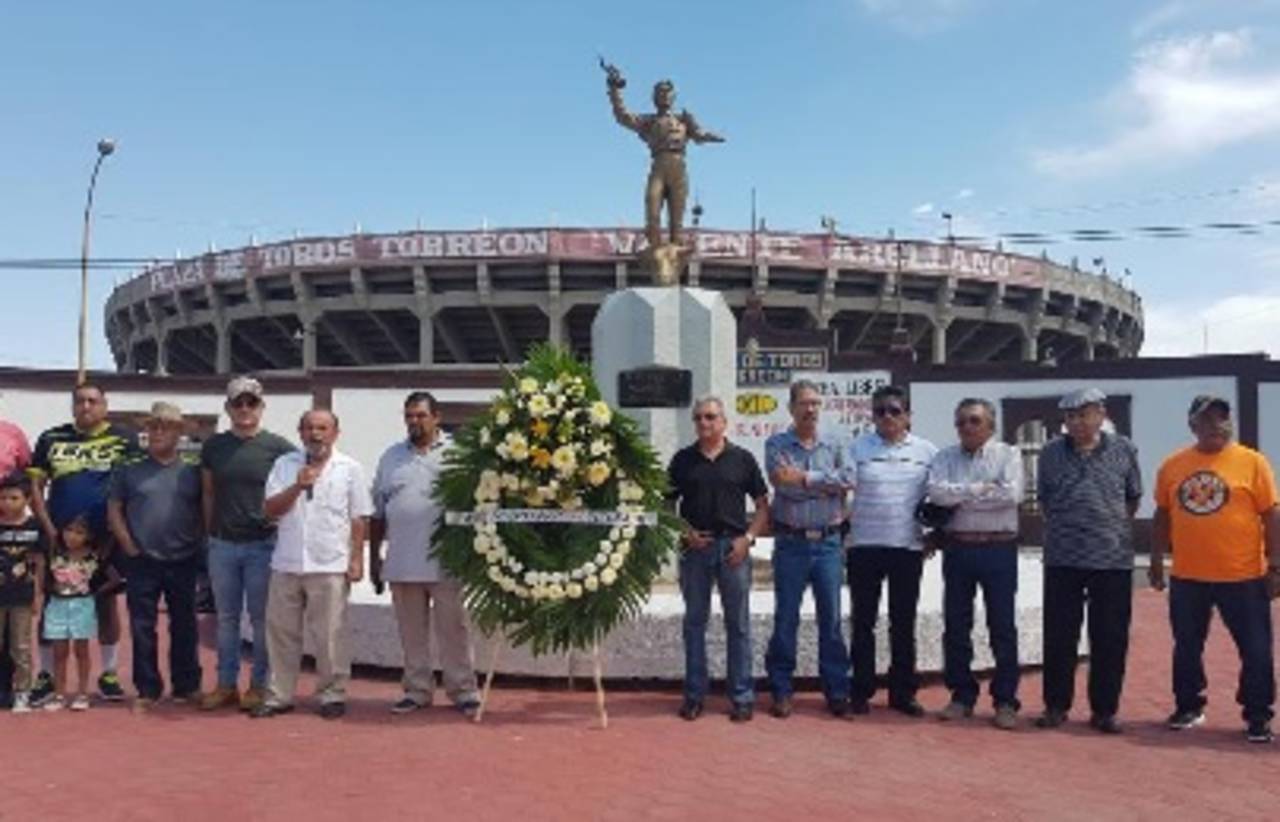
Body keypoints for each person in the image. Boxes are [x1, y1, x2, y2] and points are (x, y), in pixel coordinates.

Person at [1150, 395, 1279, 744]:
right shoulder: (1173, 465)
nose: (1216, 427)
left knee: (1255, 649)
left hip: (1244, 576)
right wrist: (1157, 560)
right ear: (1192, 425)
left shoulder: (1253, 463)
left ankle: (1257, 714)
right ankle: (1189, 705)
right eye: (1207, 421)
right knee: (1187, 646)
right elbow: (1162, 514)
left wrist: (1275, 564)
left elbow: (1270, 514)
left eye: (1222, 419)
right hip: (1188, 576)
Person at [252, 409, 372, 720]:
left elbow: (358, 518)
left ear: (335, 433)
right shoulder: (284, 465)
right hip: (287, 562)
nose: (315, 434)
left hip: (330, 563)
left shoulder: (350, 468)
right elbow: (270, 509)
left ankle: (331, 694)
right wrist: (297, 486)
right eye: (309, 428)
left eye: (322, 428)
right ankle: (280, 694)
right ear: (300, 432)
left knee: (331, 635)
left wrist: (357, 558)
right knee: (280, 634)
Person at [1035, 388, 1142, 734]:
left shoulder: (1124, 449)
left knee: (1110, 637)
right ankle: (1055, 705)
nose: (1077, 422)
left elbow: (1131, 498)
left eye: (1084, 414)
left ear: (1101, 414)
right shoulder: (1050, 453)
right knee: (1059, 636)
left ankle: (1105, 710)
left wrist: (1106, 528)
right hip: (1063, 558)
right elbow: (1046, 500)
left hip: (1112, 559)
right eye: (1070, 416)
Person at [27, 383, 141, 706]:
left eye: (93, 401)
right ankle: (47, 675)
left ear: (105, 405)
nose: (86, 406)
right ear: (73, 406)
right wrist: (49, 530)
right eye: (80, 401)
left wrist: (117, 532)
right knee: (53, 606)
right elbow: (36, 486)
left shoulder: (124, 438)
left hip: (105, 540)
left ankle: (107, 674)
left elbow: (133, 487)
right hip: (58, 540)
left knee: (105, 604)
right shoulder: (51, 438)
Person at [370, 391, 480, 716]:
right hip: (402, 560)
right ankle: (417, 690)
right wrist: (375, 557)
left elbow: (477, 505)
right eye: (409, 416)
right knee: (411, 633)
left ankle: (463, 691)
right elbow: (378, 513)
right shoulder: (391, 457)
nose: (414, 422)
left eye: (420, 415)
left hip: (447, 561)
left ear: (437, 417)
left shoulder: (458, 454)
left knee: (454, 631)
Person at [667, 396, 769, 723]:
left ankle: (741, 696)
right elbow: (665, 506)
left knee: (737, 625)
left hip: (732, 551)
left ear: (724, 422)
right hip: (695, 550)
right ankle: (695, 695)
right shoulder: (682, 460)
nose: (703, 423)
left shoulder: (742, 459)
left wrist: (747, 540)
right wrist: (684, 533)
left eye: (710, 417)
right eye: (698, 418)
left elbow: (763, 506)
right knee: (694, 624)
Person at [927, 398, 1025, 730]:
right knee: (956, 625)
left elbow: (1011, 495)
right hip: (959, 549)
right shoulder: (944, 457)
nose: (967, 428)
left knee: (1002, 626)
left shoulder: (1008, 455)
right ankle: (961, 695)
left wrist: (961, 496)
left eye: (974, 421)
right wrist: (980, 489)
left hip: (998, 549)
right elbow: (936, 494)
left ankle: (1006, 700)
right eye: (961, 422)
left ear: (990, 425)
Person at [199, 376, 295, 712]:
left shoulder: (279, 448)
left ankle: (258, 685)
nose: (244, 409)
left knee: (259, 619)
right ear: (227, 408)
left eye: (250, 403)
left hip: (262, 545)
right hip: (223, 544)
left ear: (261, 407)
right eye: (237, 403)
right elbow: (208, 492)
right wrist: (208, 535)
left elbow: (292, 491)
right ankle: (226, 684)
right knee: (225, 618)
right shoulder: (214, 447)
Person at [764, 379, 854, 719]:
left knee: (830, 620)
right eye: (804, 403)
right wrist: (823, 485)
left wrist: (805, 479)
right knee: (786, 618)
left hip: (829, 543)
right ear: (791, 408)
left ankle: (836, 690)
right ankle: (781, 690)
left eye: (816, 403)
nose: (811, 409)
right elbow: (780, 483)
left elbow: (848, 480)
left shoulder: (837, 441)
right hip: (791, 543)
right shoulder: (777, 443)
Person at [846, 385, 938, 717]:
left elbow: (937, 499)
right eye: (880, 411)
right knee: (863, 623)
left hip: (907, 548)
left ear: (908, 416)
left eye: (895, 410)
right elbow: (841, 491)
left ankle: (902, 692)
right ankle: (861, 690)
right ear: (872, 416)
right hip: (864, 546)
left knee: (903, 622)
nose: (887, 416)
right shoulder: (857, 448)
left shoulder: (927, 452)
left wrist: (935, 535)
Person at [108, 401, 204, 711]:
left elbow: (206, 507)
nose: (159, 432)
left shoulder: (193, 470)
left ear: (179, 432)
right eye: (154, 426)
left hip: (184, 558)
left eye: (166, 426)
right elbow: (115, 509)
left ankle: (187, 685)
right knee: (141, 626)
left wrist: (198, 541)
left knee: (185, 625)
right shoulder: (129, 469)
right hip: (142, 560)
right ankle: (147, 688)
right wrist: (128, 545)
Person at [602, 61, 725, 251]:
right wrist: (615, 90)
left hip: (679, 167)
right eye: (660, 92)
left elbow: (699, 135)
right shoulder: (649, 121)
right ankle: (656, 255)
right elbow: (622, 116)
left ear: (673, 96)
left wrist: (713, 137)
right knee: (652, 213)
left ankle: (673, 265)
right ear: (654, 98)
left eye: (668, 93)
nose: (664, 96)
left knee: (677, 222)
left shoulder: (684, 119)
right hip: (658, 165)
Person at [43, 515, 120, 711]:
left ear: (89, 536)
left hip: (82, 607)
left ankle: (82, 693)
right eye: (69, 530)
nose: (72, 536)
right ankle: (59, 693)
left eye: (79, 532)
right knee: (59, 652)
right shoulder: (54, 553)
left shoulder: (94, 557)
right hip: (57, 606)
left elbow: (115, 579)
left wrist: (95, 592)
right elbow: (42, 575)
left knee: (81, 651)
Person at [0, 471, 45, 713]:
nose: (7, 503)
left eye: (14, 498)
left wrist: (38, 594)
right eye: (3, 498)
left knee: (21, 646)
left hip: (22, 597)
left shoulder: (34, 527)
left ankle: (23, 692)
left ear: (27, 499)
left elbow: (39, 563)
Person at [0, 416, 31, 708]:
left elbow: (26, 475)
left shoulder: (12, 434)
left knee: (14, 634)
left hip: (10, 531)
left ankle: (13, 688)